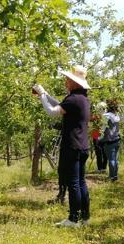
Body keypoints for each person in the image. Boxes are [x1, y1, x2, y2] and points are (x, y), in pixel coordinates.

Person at [33, 65, 91, 228]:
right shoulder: (82, 98)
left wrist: (42, 95)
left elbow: (52, 111)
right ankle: (85, 217)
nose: (66, 82)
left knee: (73, 182)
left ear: (75, 83)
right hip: (83, 145)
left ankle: (73, 219)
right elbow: (61, 105)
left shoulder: (73, 99)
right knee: (81, 182)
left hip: (72, 145)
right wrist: (45, 94)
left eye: (68, 79)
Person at [99, 99, 121, 181]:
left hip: (109, 140)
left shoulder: (107, 116)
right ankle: (115, 176)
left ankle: (112, 177)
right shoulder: (116, 115)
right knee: (116, 159)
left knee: (111, 159)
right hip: (117, 139)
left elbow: (103, 128)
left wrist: (98, 137)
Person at [91, 102, 107, 173]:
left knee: (99, 151)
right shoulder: (106, 115)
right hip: (100, 133)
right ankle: (102, 168)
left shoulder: (98, 116)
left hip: (97, 133)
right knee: (103, 151)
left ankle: (101, 168)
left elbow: (89, 119)